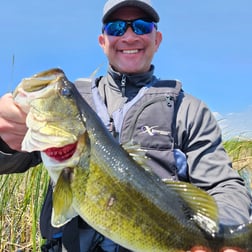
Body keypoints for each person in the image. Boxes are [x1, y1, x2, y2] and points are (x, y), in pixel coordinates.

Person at [0, 0, 251, 251]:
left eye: (141, 26)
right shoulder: (75, 105)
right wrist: (5, 140)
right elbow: (7, 162)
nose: (129, 36)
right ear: (102, 40)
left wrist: (226, 232)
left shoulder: (189, 110)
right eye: (117, 27)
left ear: (157, 39)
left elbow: (224, 185)